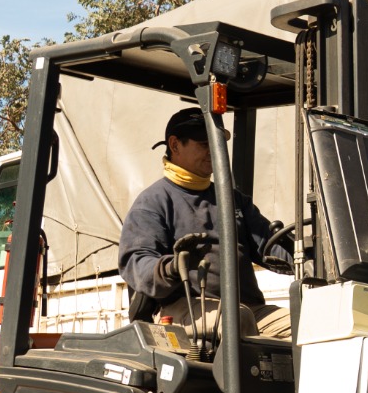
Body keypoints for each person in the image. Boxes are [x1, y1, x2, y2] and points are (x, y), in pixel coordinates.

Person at [119, 109, 290, 338]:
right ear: (175, 145)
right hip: (183, 309)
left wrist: (308, 256)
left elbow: (270, 245)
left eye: (216, 143)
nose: (213, 151)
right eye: (203, 144)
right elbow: (136, 262)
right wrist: (170, 267)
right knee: (236, 320)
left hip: (247, 308)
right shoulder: (153, 202)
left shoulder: (232, 199)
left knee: (308, 324)